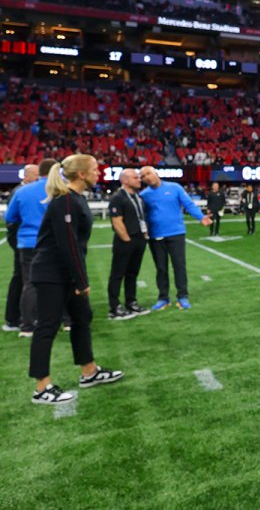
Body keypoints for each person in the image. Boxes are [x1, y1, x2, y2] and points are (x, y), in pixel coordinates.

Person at [28, 154, 124, 405]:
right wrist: (82, 282)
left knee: (82, 318)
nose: (99, 173)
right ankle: (41, 387)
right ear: (81, 174)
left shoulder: (77, 199)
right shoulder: (65, 202)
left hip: (66, 273)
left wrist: (78, 279)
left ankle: (89, 371)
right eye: (94, 169)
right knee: (47, 326)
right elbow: (68, 245)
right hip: (51, 273)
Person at [139, 166, 211, 311]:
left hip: (176, 233)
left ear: (156, 173)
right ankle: (163, 298)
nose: (147, 177)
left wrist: (201, 217)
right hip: (156, 235)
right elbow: (142, 216)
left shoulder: (174, 187)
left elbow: (188, 204)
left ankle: (182, 296)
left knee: (179, 266)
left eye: (148, 173)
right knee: (161, 268)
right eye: (143, 176)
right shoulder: (144, 195)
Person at [5, 159, 57, 337]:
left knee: (29, 283)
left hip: (26, 243)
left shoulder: (21, 192)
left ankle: (26, 325)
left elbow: (10, 218)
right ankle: (63, 320)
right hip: (49, 242)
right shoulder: (56, 190)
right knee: (57, 280)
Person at [106, 169, 150, 320]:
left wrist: (143, 236)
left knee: (132, 273)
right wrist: (126, 239)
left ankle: (131, 301)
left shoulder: (137, 196)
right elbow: (117, 221)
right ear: (124, 180)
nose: (139, 179)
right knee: (118, 274)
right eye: (135, 177)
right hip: (125, 240)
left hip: (139, 239)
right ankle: (114, 306)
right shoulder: (118, 197)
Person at [4, 163, 39, 332]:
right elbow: (12, 219)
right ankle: (13, 318)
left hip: (21, 240)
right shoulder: (20, 192)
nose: (39, 179)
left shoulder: (21, 191)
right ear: (27, 176)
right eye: (36, 175)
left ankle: (19, 316)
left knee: (23, 278)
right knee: (21, 278)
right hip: (21, 241)